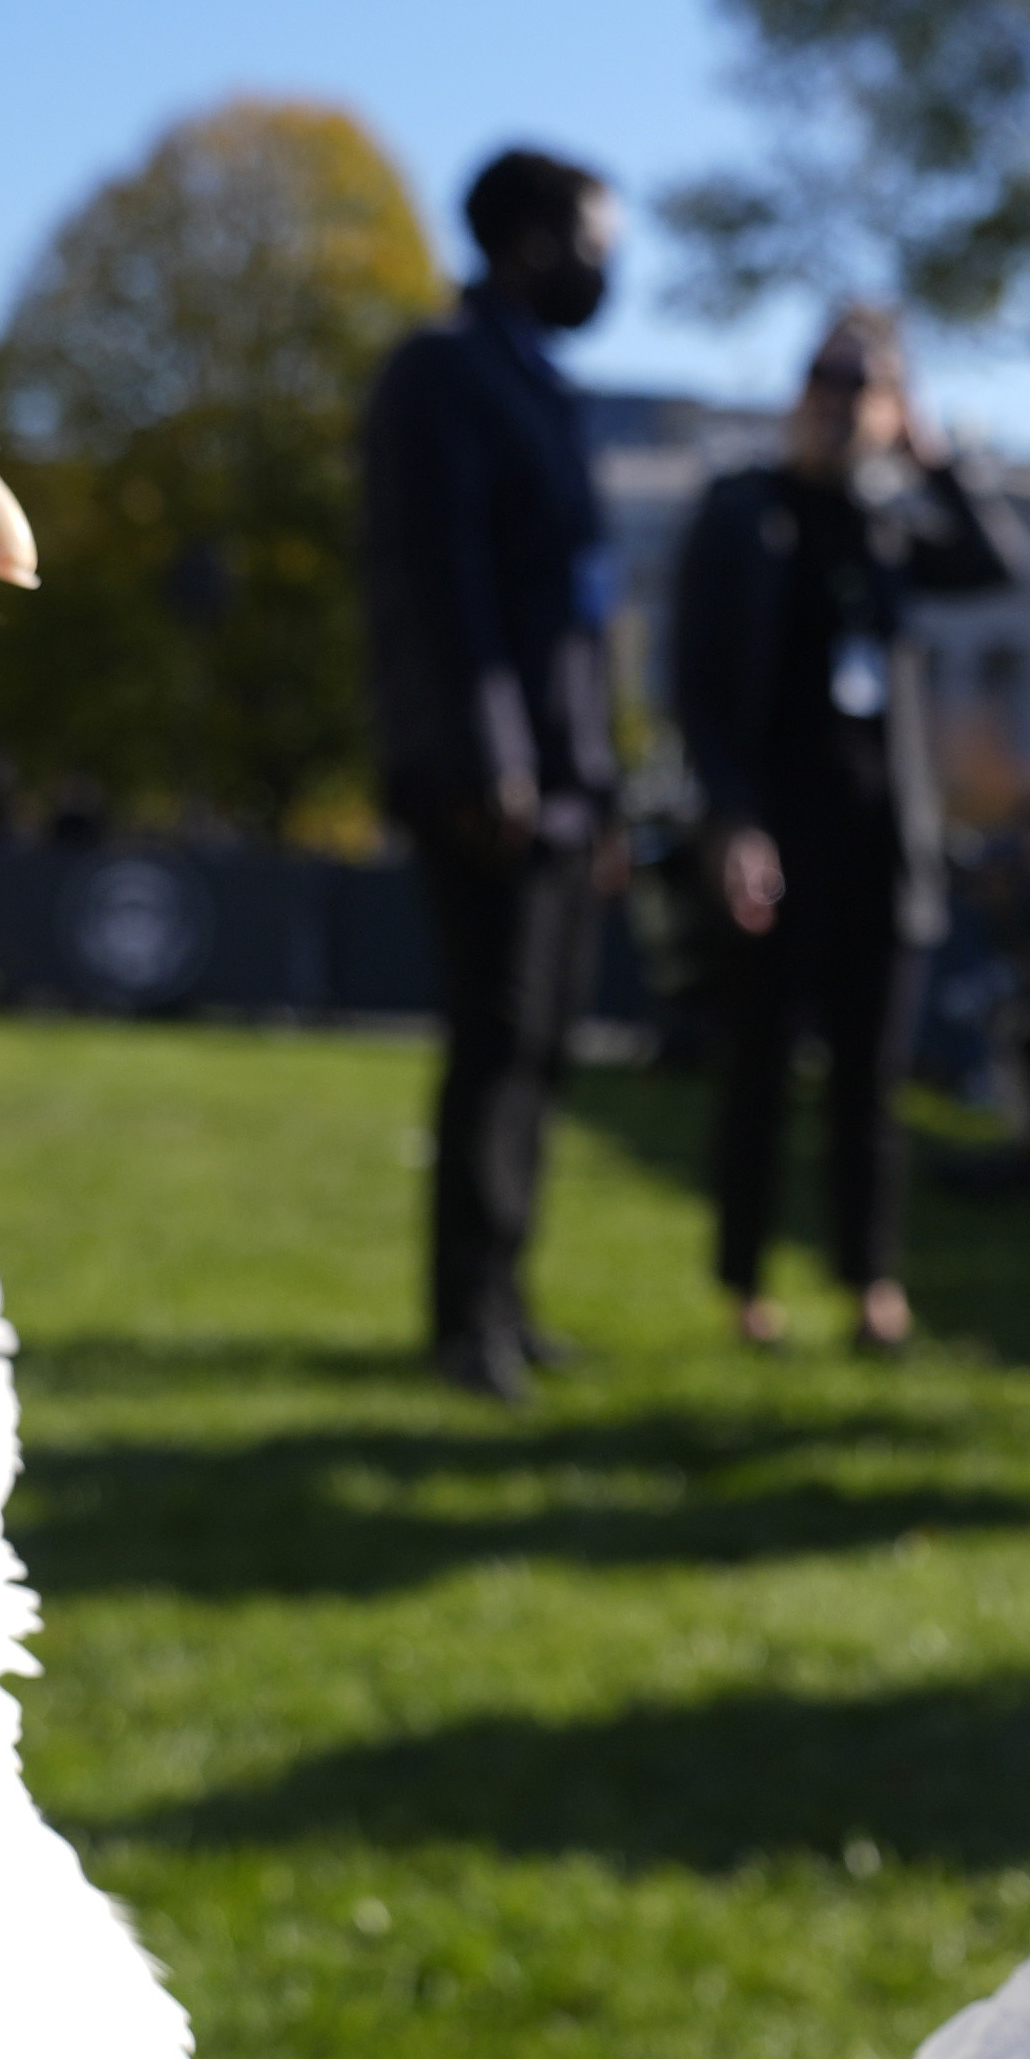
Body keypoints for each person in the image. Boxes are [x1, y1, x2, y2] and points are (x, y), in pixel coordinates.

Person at [670, 309, 1028, 1351]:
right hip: (774, 842)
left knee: (870, 1082)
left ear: (892, 407)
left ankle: (872, 1281)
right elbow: (695, 684)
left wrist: (935, 460)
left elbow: (997, 563)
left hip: (882, 845)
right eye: (822, 382)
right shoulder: (741, 512)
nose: (836, 402)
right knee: (758, 1074)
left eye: (861, 386)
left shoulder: (888, 531)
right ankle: (744, 1282)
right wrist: (731, 817)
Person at [361, 145, 625, 1402]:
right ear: (525, 240)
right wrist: (492, 761)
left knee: (544, 1049)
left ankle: (507, 1296)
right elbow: (442, 587)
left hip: (567, 784)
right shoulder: (442, 379)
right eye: (590, 239)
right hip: (490, 783)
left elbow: (576, 619)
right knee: (496, 1038)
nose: (604, 266)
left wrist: (603, 782)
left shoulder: (547, 393)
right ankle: (463, 1317)